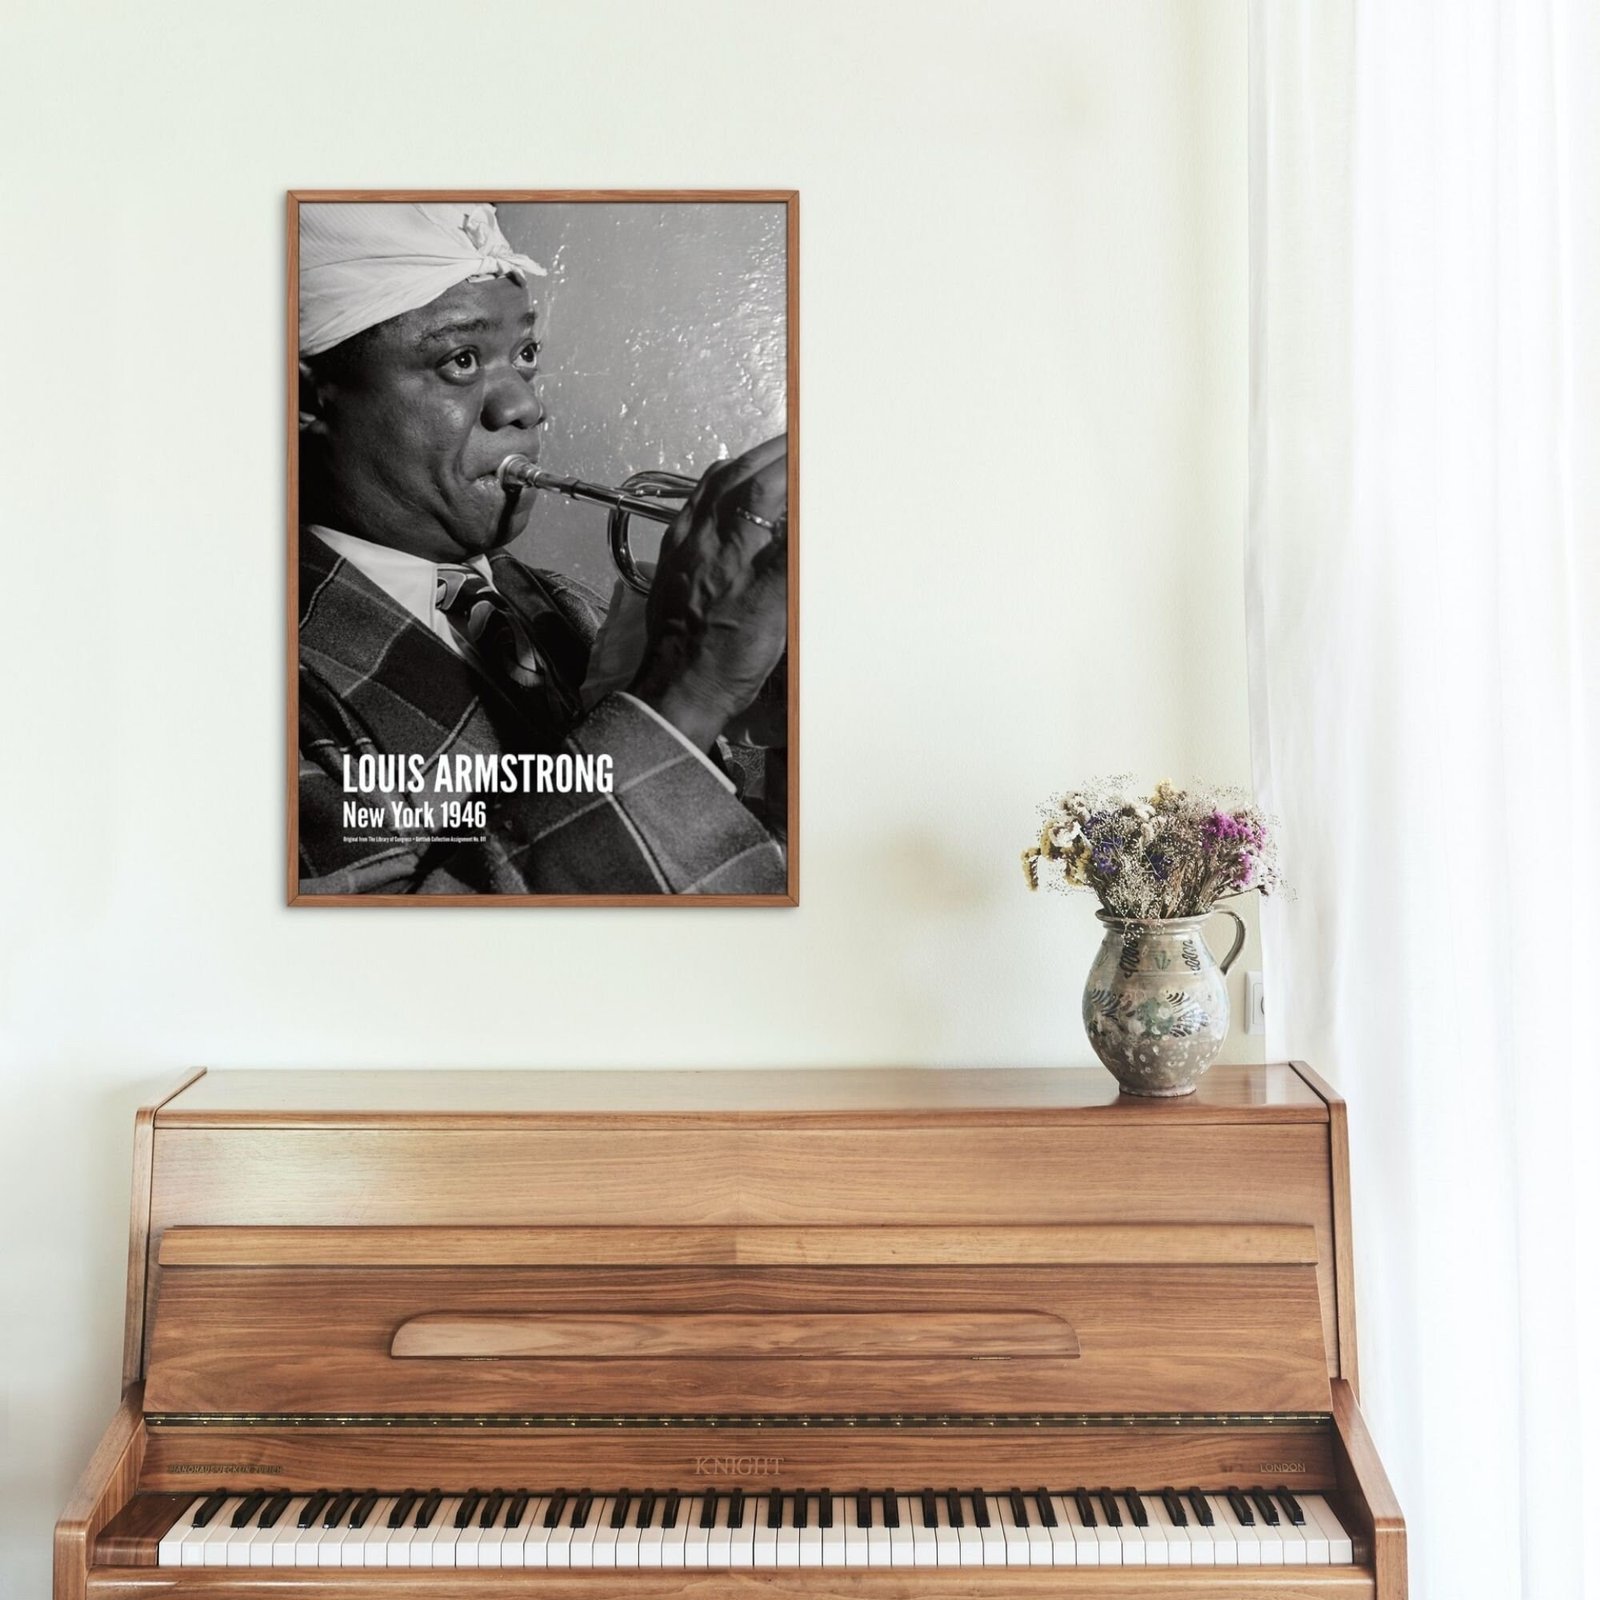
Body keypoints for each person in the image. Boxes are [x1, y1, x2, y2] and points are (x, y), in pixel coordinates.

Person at [295, 202, 789, 896]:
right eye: (460, 360)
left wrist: (786, 739)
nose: (525, 406)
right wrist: (683, 695)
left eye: (525, 355)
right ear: (306, 398)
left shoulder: (572, 610)